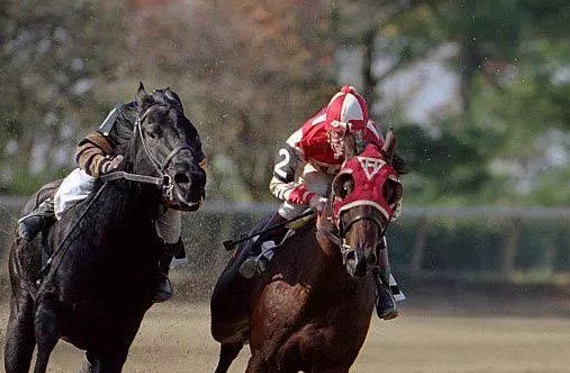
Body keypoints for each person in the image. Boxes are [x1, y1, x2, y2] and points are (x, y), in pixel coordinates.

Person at [16, 86, 201, 302]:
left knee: (172, 231)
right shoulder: (123, 114)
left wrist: (183, 192)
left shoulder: (183, 130)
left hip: (155, 192)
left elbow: (197, 165)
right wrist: (103, 165)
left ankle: (160, 276)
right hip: (109, 177)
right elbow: (87, 147)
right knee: (76, 183)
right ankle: (46, 210)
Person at [237, 84, 401, 320]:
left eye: (352, 136)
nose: (343, 142)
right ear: (327, 127)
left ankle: (384, 286)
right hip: (317, 172)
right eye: (338, 134)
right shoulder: (305, 136)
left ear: (363, 130)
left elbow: (387, 187)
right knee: (293, 207)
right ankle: (262, 250)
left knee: (366, 215)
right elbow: (277, 184)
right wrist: (311, 198)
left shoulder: (373, 138)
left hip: (354, 175)